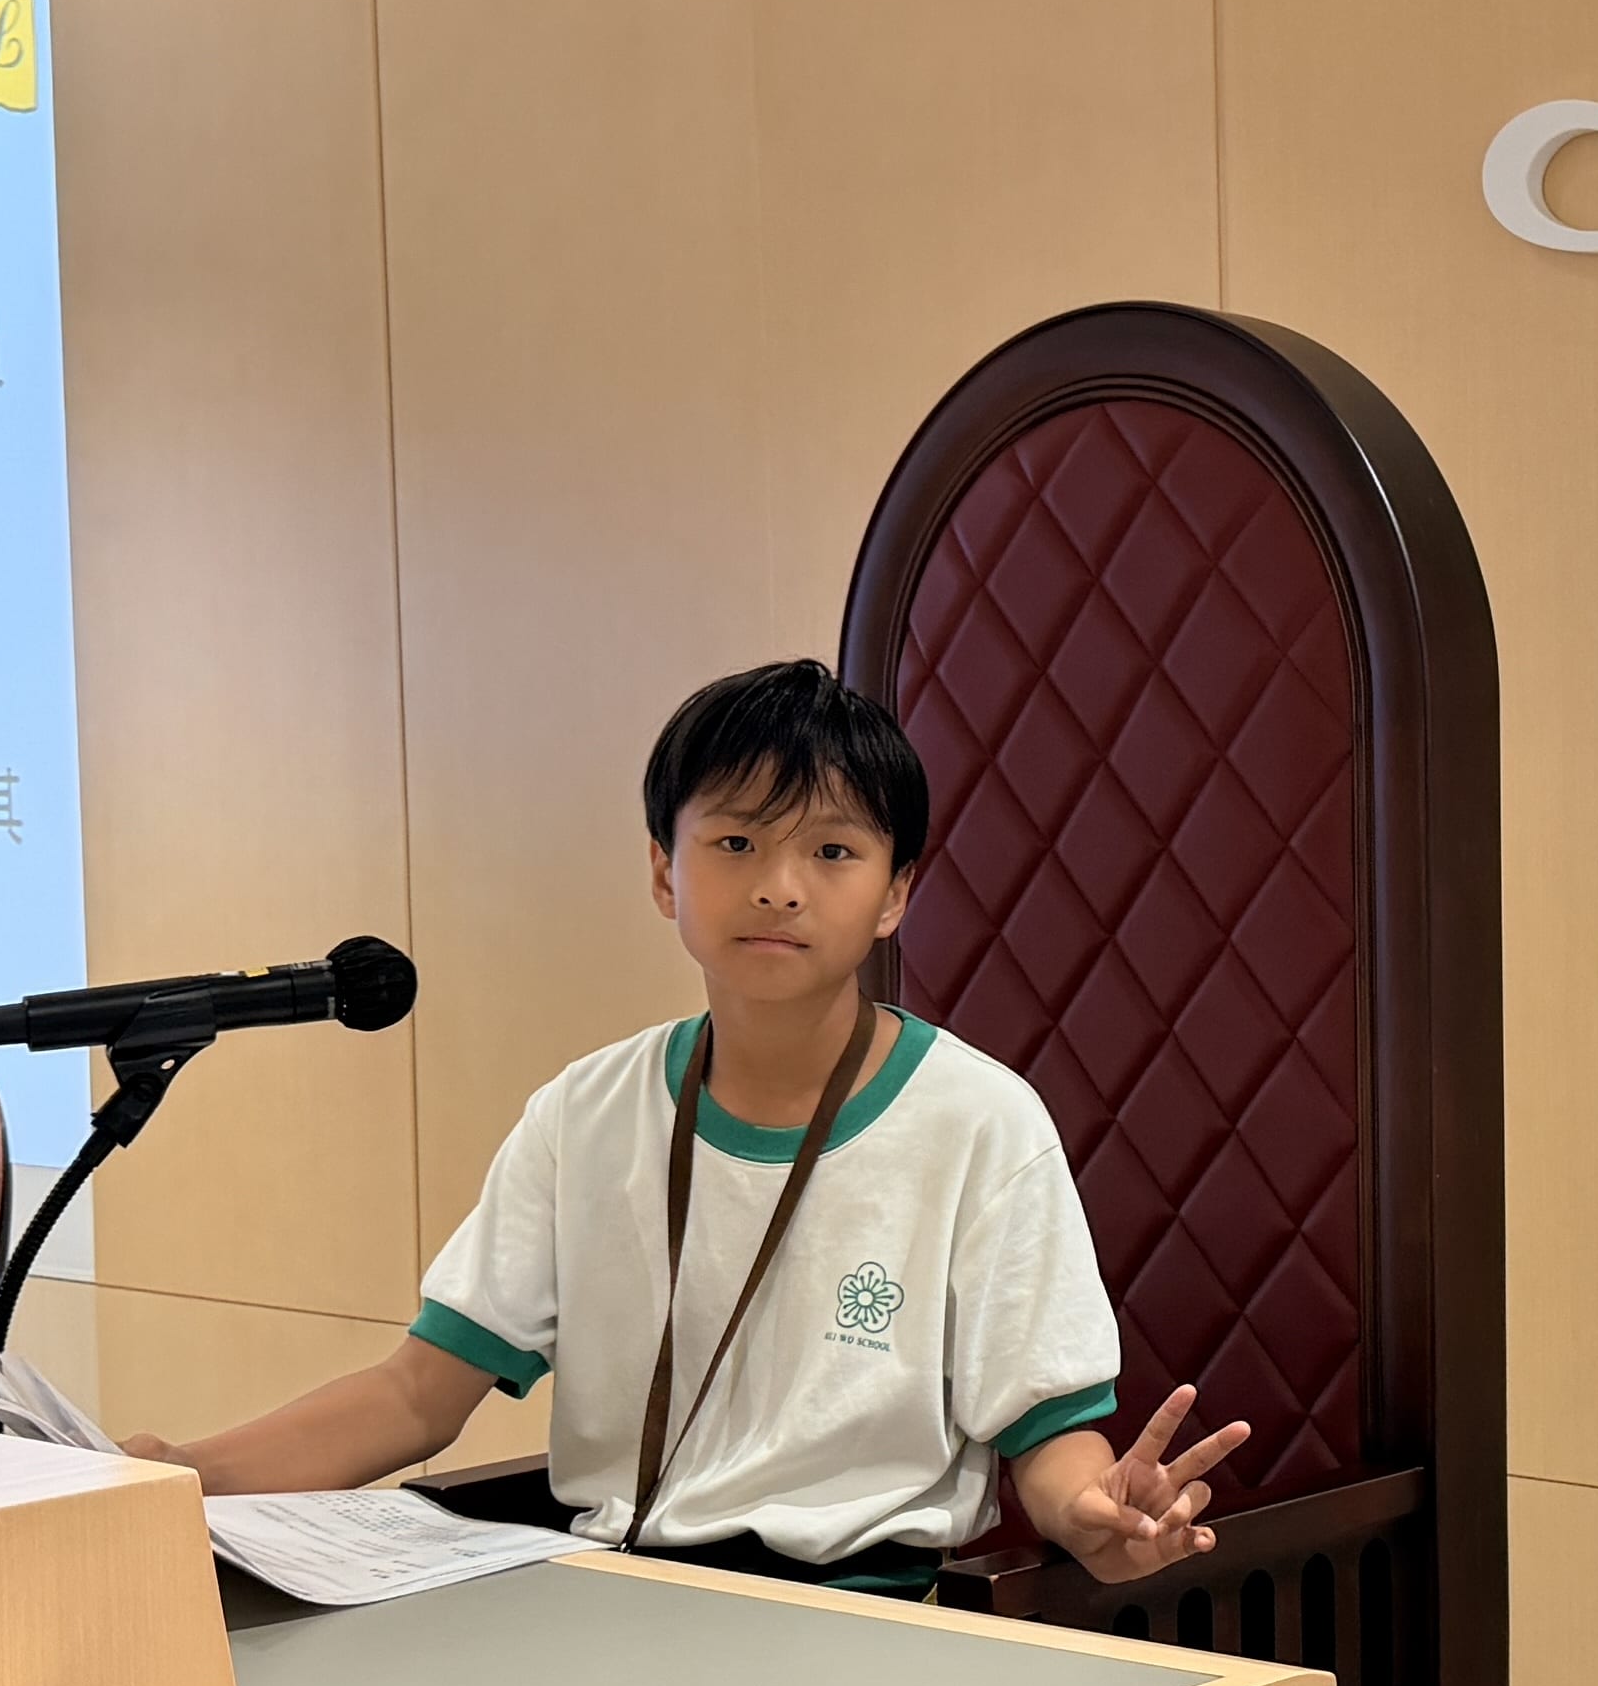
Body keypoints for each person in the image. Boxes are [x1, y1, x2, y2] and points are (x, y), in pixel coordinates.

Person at [131, 660, 1235, 1594]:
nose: (780, 887)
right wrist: (179, 1474)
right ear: (666, 871)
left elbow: (1046, 1433)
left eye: (833, 852)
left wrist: (1096, 1515)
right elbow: (418, 1393)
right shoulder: (585, 1113)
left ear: (896, 893)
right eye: (737, 843)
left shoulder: (980, 1122)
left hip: (867, 1620)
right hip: (616, 1607)